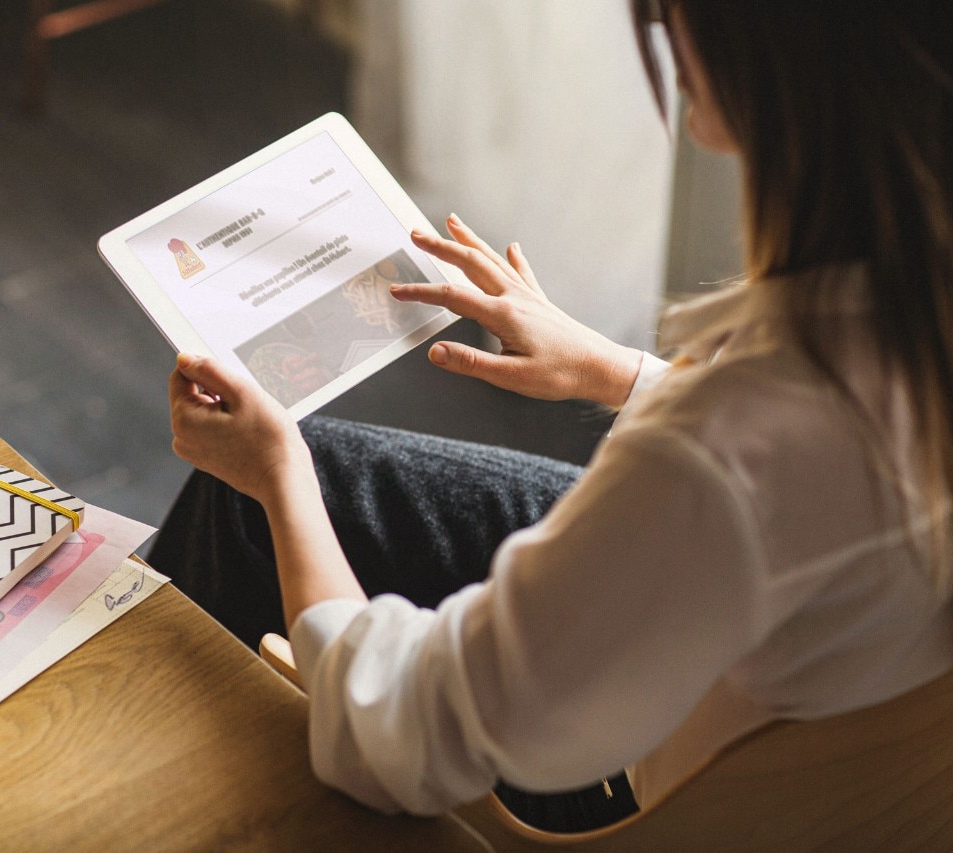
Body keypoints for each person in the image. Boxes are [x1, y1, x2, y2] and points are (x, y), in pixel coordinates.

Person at [150, 0, 953, 833]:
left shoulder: (722, 454)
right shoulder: (899, 333)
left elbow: (396, 733)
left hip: (627, 790)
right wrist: (620, 373)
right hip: (804, 703)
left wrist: (278, 478)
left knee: (262, 494)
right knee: (319, 469)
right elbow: (795, 477)